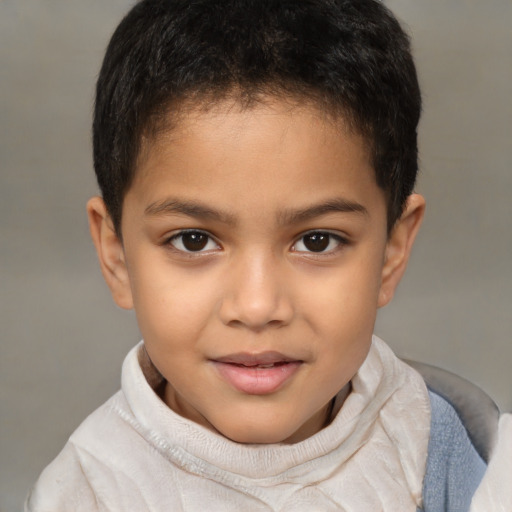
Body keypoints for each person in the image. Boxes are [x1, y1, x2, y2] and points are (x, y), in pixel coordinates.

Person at [25, 0, 511, 510]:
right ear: (117, 254)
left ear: (392, 251)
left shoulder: (464, 463)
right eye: (193, 240)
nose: (257, 307)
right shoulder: (87, 492)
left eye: (317, 241)